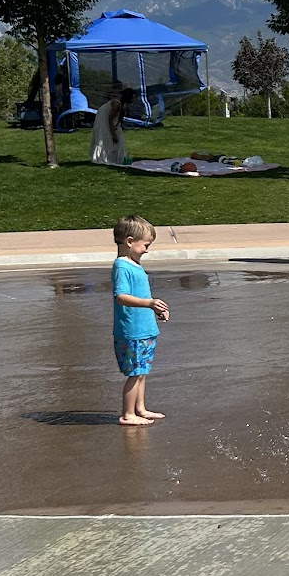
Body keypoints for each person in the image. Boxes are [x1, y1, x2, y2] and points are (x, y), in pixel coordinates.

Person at [111, 215, 168, 426]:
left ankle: (140, 408)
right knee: (135, 373)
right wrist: (149, 304)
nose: (147, 250)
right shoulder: (122, 267)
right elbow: (121, 296)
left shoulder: (134, 264)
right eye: (145, 245)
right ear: (129, 241)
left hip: (144, 328)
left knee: (142, 372)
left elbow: (141, 295)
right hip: (132, 331)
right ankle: (127, 414)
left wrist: (155, 310)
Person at [90, 83, 128, 166]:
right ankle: (102, 157)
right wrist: (113, 133)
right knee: (105, 136)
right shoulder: (116, 103)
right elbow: (110, 119)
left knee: (118, 136)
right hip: (103, 119)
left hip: (112, 121)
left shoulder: (123, 105)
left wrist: (116, 127)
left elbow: (119, 118)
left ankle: (116, 157)